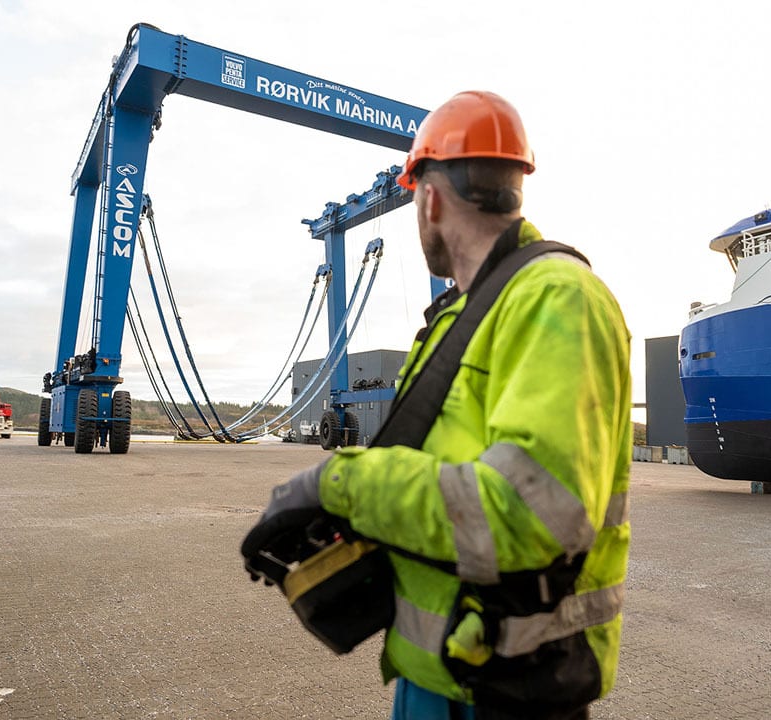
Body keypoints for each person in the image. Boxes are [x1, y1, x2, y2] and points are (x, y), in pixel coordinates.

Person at [241, 91, 631, 720]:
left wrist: (339, 483)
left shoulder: (557, 299)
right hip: (442, 667)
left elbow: (531, 515)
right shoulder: (461, 314)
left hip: (508, 685)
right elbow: (440, 469)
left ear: (429, 197)